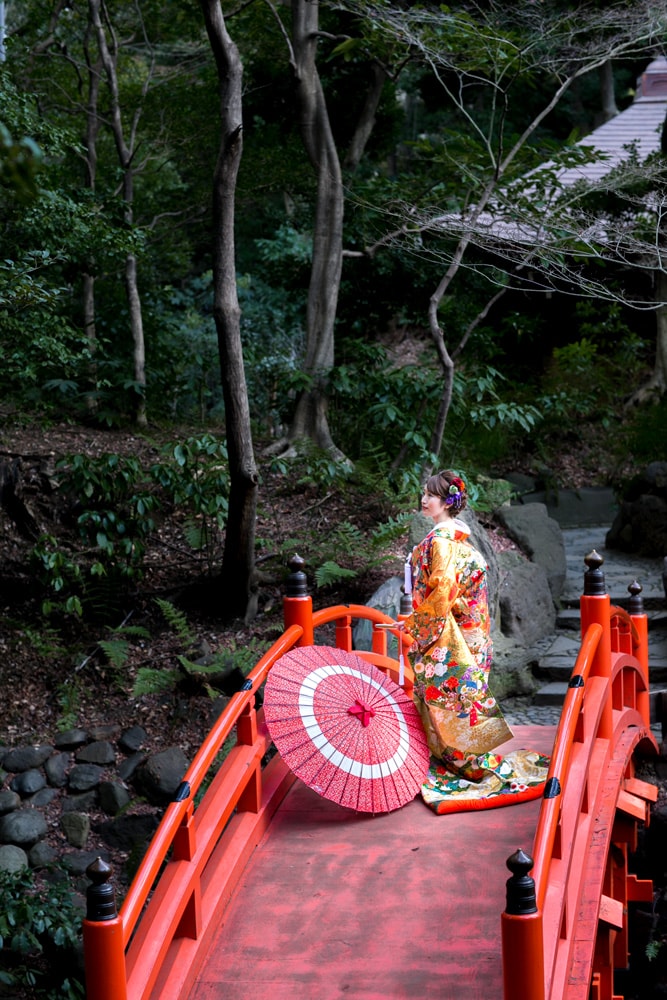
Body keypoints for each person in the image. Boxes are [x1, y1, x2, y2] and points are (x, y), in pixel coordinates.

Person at [396, 470, 550, 812]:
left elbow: (444, 589)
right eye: (423, 493)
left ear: (447, 501)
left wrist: (415, 625)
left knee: (452, 703)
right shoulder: (458, 539)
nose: (424, 499)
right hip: (473, 633)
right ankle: (460, 759)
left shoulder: (441, 541)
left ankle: (461, 764)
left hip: (453, 634)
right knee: (459, 704)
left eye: (431, 495)